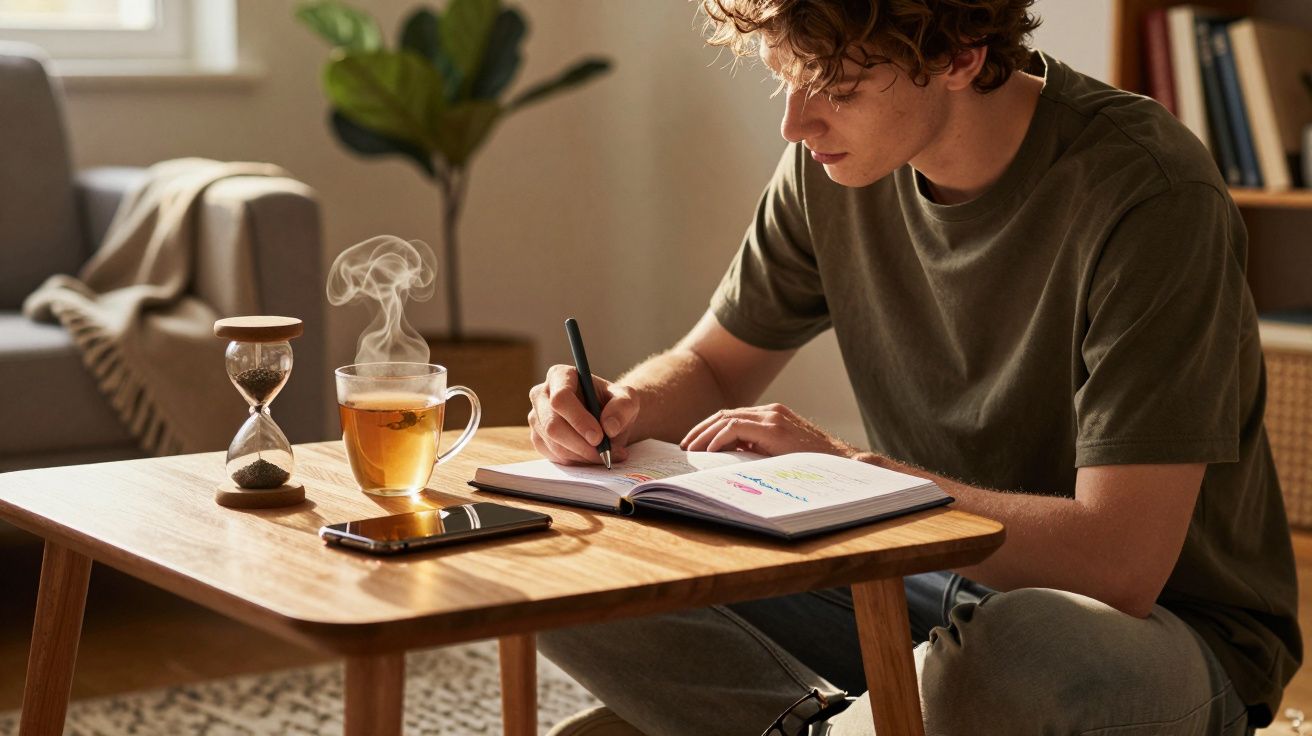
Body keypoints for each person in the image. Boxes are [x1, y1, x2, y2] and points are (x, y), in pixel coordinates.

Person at [528, 1, 1301, 734]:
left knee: (1010, 654)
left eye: (835, 87)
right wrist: (616, 404)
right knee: (564, 558)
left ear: (960, 56)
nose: (795, 123)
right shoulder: (826, 168)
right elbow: (714, 366)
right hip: (909, 584)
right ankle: (830, 723)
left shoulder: (1149, 191)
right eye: (784, 77)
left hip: (1147, 629)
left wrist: (852, 475)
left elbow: (1119, 564)